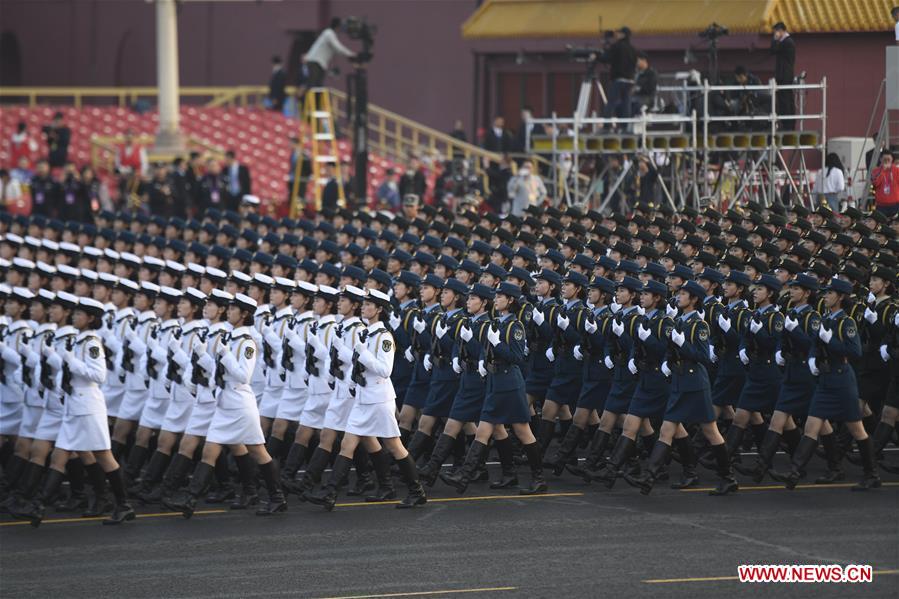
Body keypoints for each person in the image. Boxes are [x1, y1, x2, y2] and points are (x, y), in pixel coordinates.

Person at [9, 297, 135, 527]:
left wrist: (69, 361)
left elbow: (99, 375)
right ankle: (39, 506)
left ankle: (123, 504)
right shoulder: (79, 341)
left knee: (104, 457)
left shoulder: (91, 342)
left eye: (79, 314)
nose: (75, 317)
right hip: (73, 406)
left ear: (91, 318)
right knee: (60, 455)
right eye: (74, 314)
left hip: (87, 407)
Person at [602, 27, 638, 126]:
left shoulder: (617, 46)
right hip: (630, 80)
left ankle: (606, 126)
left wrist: (599, 54)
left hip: (618, 79)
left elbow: (606, 58)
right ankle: (625, 127)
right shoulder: (633, 49)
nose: (616, 34)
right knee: (626, 104)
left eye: (618, 33)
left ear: (623, 35)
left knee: (611, 103)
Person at [305, 17, 356, 87]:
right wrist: (352, 54)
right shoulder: (328, 33)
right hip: (315, 62)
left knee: (317, 85)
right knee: (314, 85)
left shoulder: (329, 34)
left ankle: (317, 98)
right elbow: (338, 47)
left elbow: (336, 50)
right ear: (337, 26)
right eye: (341, 26)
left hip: (318, 63)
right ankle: (312, 98)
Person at [771, 22, 796, 127]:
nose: (775, 34)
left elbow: (774, 49)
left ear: (781, 31)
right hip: (783, 74)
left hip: (785, 75)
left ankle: (788, 123)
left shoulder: (787, 42)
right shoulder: (784, 42)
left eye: (776, 31)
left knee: (786, 99)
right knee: (783, 98)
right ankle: (786, 122)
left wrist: (775, 39)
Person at [871, 150, 899, 218]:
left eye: (888, 159)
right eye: (884, 159)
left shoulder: (897, 170)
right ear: (880, 159)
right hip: (881, 206)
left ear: (892, 160)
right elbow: (875, 183)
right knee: (882, 226)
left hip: (896, 204)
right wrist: (883, 170)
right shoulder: (875, 171)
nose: (886, 161)